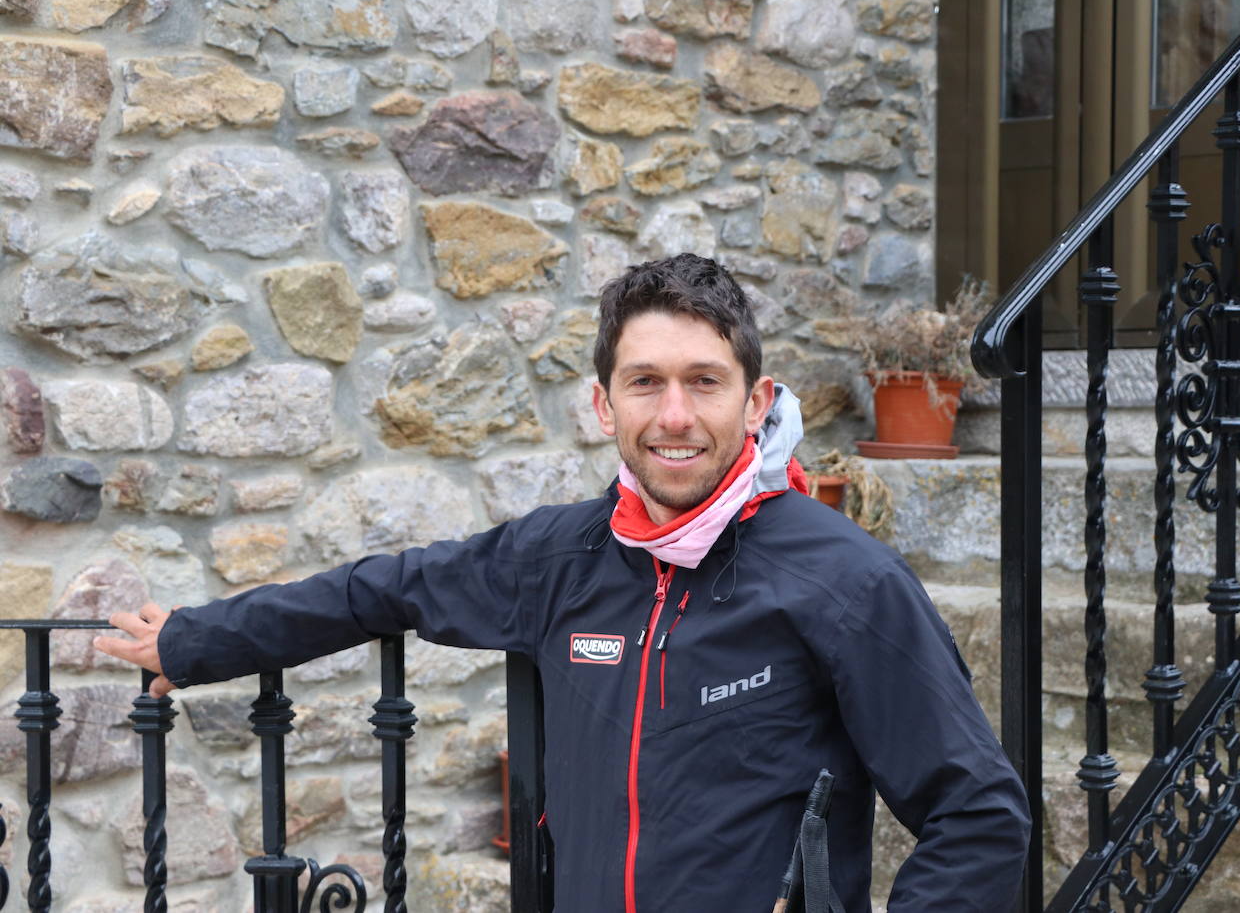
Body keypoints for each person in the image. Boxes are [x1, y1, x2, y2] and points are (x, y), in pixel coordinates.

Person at [96, 254, 1031, 912]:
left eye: (705, 382)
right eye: (645, 383)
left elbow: (979, 814)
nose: (675, 415)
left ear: (755, 400)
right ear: (602, 404)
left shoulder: (844, 578)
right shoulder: (561, 559)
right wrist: (196, 640)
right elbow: (386, 588)